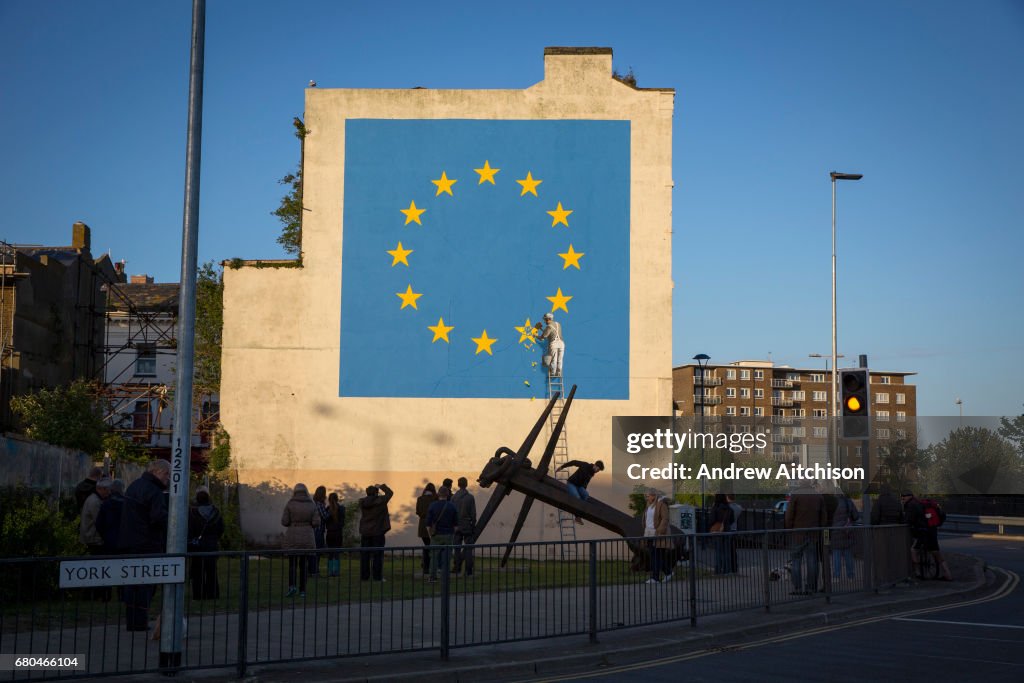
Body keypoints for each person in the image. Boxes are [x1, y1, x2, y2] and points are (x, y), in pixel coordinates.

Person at [119, 459, 170, 632]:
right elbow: (158, 518)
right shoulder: (154, 491)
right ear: (157, 471)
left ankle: (133, 621)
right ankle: (140, 621)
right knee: (146, 584)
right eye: (166, 474)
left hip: (130, 541)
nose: (168, 478)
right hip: (147, 543)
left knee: (132, 583)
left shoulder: (134, 486)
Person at [784, 481, 826, 595]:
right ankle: (812, 587)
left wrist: (789, 529)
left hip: (798, 533)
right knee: (812, 561)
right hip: (814, 533)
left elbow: (789, 515)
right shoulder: (818, 496)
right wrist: (820, 529)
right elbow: (823, 516)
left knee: (796, 561)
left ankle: (798, 587)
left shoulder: (796, 495)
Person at [902, 492, 953, 581]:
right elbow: (942, 516)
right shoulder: (929, 505)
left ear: (910, 497)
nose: (903, 499)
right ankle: (948, 574)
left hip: (922, 532)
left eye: (904, 497)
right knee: (936, 553)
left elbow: (908, 520)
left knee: (913, 550)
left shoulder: (913, 505)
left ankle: (917, 573)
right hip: (933, 531)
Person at [281, 483, 319, 597]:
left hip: (293, 535)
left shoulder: (290, 504)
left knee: (292, 564)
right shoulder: (312, 505)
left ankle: (292, 586)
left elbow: (284, 522)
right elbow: (316, 522)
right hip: (307, 536)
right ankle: (303, 590)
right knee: (303, 564)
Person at [188, 485, 225, 600]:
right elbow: (221, 528)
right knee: (212, 570)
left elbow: (189, 529)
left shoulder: (192, 512)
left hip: (197, 545)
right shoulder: (216, 511)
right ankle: (212, 594)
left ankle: (198, 594)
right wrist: (214, 538)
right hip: (212, 544)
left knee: (197, 571)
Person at [80, 478, 112, 601]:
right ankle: (93, 594)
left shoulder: (95, 499)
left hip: (93, 537)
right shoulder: (95, 501)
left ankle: (95, 593)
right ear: (101, 489)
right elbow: (99, 520)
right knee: (97, 566)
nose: (108, 493)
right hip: (94, 538)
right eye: (107, 490)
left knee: (95, 566)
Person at [358, 483, 393, 581]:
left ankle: (364, 577)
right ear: (376, 493)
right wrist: (381, 486)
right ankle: (377, 577)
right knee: (378, 555)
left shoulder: (362, 502)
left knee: (365, 555)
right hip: (378, 531)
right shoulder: (381, 501)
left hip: (365, 532)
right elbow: (390, 493)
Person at [554, 459, 604, 524]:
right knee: (577, 498)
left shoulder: (592, 473)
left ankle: (578, 511)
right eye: (598, 469)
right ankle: (577, 516)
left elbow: (586, 483)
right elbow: (573, 462)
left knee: (586, 495)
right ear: (595, 465)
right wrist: (562, 467)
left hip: (579, 487)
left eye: (598, 470)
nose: (597, 471)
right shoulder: (585, 465)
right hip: (571, 483)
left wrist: (583, 491)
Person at [425, 486, 458, 583]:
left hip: (436, 535)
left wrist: (430, 535)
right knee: (447, 558)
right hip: (448, 534)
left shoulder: (432, 505)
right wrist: (452, 533)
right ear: (447, 495)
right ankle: (445, 577)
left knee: (434, 557)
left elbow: (428, 524)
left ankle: (432, 577)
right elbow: (456, 525)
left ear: (438, 494)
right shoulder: (452, 506)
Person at [643, 489, 673, 583]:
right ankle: (668, 572)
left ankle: (655, 578)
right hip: (649, 533)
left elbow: (665, 518)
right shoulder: (649, 505)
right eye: (646, 496)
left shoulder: (661, 504)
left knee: (656, 555)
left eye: (648, 496)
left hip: (658, 534)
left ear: (654, 496)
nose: (646, 498)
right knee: (655, 556)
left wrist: (660, 530)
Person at [831, 492, 860, 580]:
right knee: (848, 555)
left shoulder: (833, 503)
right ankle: (850, 575)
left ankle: (836, 576)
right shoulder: (848, 502)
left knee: (836, 555)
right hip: (847, 531)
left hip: (835, 531)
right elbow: (856, 516)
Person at [452, 477, 477, 577]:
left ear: (458, 485)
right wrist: (473, 525)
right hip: (467, 524)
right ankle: (468, 570)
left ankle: (457, 568)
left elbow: (452, 513)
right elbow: (473, 513)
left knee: (457, 548)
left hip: (457, 525)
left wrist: (453, 525)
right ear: (466, 484)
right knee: (468, 548)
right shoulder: (470, 497)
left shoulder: (454, 497)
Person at [96, 479, 126, 555]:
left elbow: (99, 524)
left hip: (109, 540)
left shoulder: (106, 503)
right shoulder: (127, 504)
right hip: (124, 541)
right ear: (122, 489)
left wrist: (105, 536)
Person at [710, 493, 735, 575]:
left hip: (718, 531)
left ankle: (718, 570)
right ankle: (727, 569)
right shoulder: (729, 508)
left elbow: (712, 520)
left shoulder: (715, 508)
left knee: (718, 551)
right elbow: (732, 520)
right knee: (727, 551)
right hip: (727, 531)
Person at [415, 483, 437, 576]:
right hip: (433, 525)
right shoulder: (435, 499)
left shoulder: (420, 499)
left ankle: (426, 567)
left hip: (423, 525)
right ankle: (431, 567)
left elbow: (418, 512)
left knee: (427, 546)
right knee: (433, 547)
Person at [534, 312, 565, 377]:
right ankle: (559, 373)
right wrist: (542, 329)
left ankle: (553, 373)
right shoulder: (558, 324)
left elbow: (543, 338)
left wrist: (536, 336)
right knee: (560, 359)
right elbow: (551, 334)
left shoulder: (549, 327)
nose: (545, 321)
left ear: (548, 319)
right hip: (561, 343)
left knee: (554, 359)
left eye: (545, 320)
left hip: (554, 344)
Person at [309, 486, 329, 577]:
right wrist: (331, 511)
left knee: (313, 552)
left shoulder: (312, 503)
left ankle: (311, 571)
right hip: (318, 531)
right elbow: (325, 516)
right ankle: (315, 571)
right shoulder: (320, 505)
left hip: (313, 530)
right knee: (317, 552)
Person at [324, 492, 345, 577]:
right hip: (338, 533)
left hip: (330, 534)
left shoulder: (327, 509)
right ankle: (336, 572)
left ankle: (330, 572)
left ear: (329, 500)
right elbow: (342, 523)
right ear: (337, 499)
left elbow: (325, 522)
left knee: (330, 553)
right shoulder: (342, 509)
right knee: (336, 553)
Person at [727, 494, 743, 573]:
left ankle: (728, 567)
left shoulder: (727, 508)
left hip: (727, 530)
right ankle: (734, 567)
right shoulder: (738, 507)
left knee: (726, 550)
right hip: (734, 529)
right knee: (733, 550)